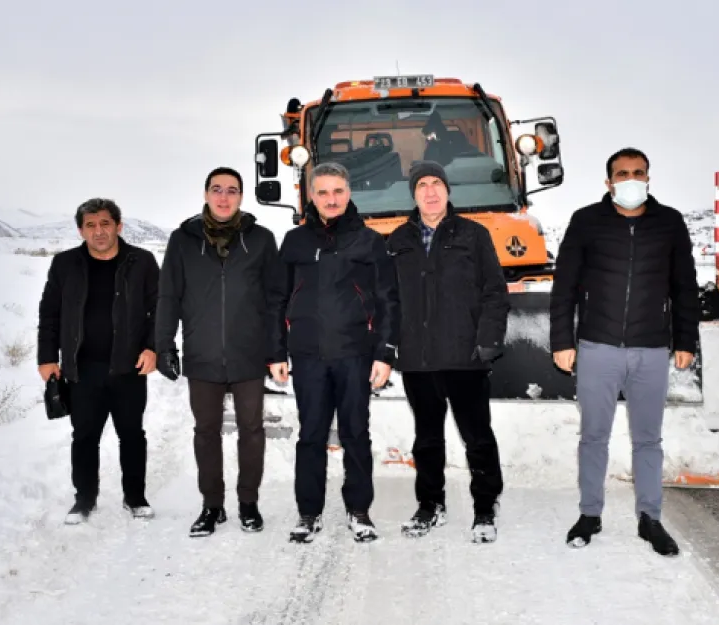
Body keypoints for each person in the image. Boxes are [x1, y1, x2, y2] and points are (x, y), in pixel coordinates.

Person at [549, 147, 700, 556]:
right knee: (593, 436)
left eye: (638, 172)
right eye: (622, 173)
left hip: (651, 349)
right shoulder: (586, 221)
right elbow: (564, 287)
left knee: (648, 439)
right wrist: (562, 341)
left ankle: (650, 518)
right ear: (608, 181)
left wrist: (686, 341)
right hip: (598, 348)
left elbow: (685, 286)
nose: (630, 179)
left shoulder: (669, 223)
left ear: (648, 177)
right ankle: (589, 514)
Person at [268, 161, 399, 544]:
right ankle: (308, 513)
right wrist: (276, 352)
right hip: (308, 356)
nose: (331, 199)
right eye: (322, 192)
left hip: (355, 354)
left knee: (356, 433)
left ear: (349, 193)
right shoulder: (295, 242)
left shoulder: (370, 241)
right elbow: (276, 299)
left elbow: (389, 301)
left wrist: (385, 353)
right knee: (310, 436)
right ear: (311, 196)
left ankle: (359, 511)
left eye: (338, 191)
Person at [154, 166, 286, 538]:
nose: (224, 197)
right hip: (203, 354)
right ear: (206, 194)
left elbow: (275, 298)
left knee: (252, 430)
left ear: (241, 196)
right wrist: (164, 344)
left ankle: (248, 503)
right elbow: (169, 295)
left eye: (232, 190)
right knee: (206, 431)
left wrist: (276, 350)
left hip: (248, 354)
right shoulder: (183, 240)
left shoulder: (260, 239)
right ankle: (212, 506)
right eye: (217, 189)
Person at [386, 161, 510, 544]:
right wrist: (391, 345)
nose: (430, 191)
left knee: (477, 436)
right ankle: (430, 505)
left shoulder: (473, 235)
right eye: (421, 184)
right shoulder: (397, 240)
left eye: (436, 183)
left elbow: (494, 291)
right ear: (413, 193)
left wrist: (488, 340)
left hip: (465, 357)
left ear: (448, 190)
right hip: (418, 360)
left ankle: (485, 507)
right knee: (426, 439)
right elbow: (388, 299)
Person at [37, 198, 160, 525]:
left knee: (132, 435)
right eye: (90, 225)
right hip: (82, 368)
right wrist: (47, 358)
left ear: (119, 226)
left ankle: (135, 497)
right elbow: (49, 314)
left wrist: (153, 349)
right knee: (84, 436)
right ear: (81, 230)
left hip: (129, 367)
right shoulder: (65, 264)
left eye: (105, 223)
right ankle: (84, 500)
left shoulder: (142, 261)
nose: (99, 231)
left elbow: (158, 312)